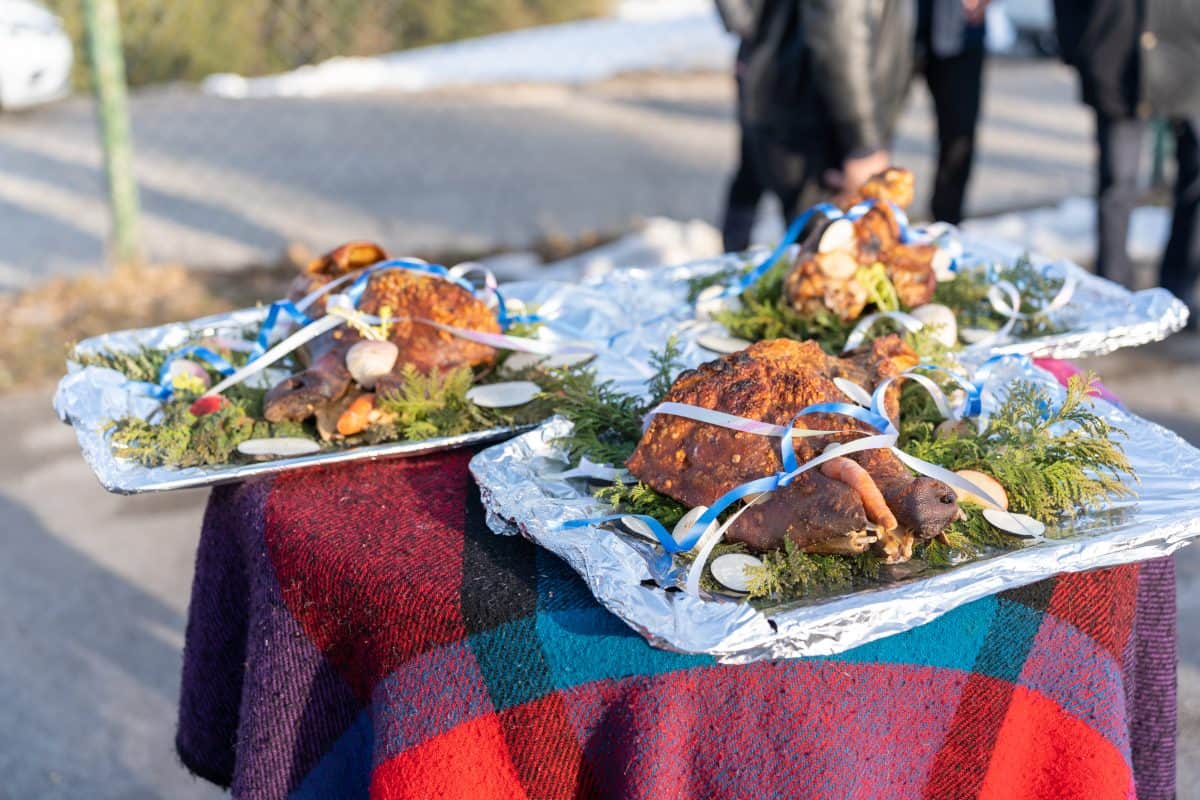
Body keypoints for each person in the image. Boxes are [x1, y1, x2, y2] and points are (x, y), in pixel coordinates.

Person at [1054, 0, 1200, 320]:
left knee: (1195, 176)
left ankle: (1180, 290)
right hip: (1117, 55)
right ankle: (1114, 296)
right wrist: (1077, 47)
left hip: (1188, 54)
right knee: (1117, 183)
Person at [733, 0, 913, 228]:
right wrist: (861, 143)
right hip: (820, 123)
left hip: (817, 111)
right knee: (828, 241)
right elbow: (839, 35)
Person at [913, 0, 990, 224]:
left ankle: (946, 230)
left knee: (959, 139)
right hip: (891, 24)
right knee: (868, 139)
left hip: (960, 27)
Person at [716, 0, 765, 252]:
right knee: (753, 165)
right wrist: (753, 26)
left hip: (797, 62)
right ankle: (733, 254)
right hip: (762, 60)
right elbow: (736, 17)